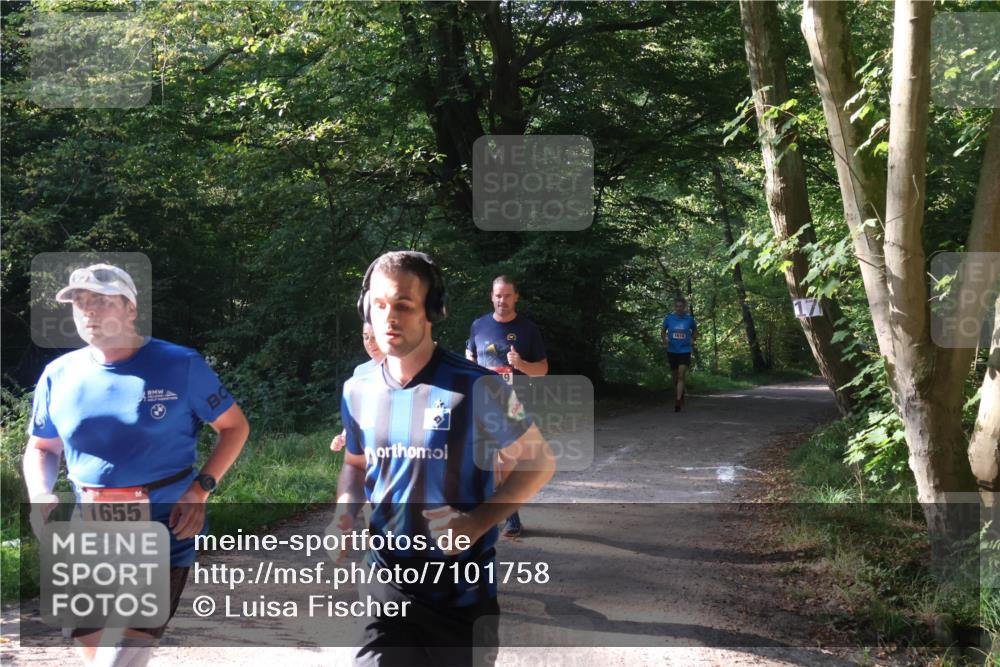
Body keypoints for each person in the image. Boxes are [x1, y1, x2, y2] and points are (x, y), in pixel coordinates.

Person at [334, 251, 555, 667]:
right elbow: (355, 463)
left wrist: (475, 523)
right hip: (385, 583)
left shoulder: (482, 386)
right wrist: (344, 512)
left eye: (403, 305)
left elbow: (539, 462)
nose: (389, 317)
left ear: (432, 310)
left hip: (461, 594)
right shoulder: (357, 388)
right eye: (379, 305)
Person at [23, 263, 250, 667]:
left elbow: (234, 427)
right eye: (79, 302)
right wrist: (40, 493)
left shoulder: (180, 365)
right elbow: (42, 448)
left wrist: (200, 489)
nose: (88, 310)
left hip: (162, 529)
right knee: (91, 644)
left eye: (101, 301)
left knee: (119, 658)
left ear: (131, 309)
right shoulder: (59, 374)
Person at [465, 276, 548, 537]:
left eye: (507, 295)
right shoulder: (478, 326)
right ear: (492, 296)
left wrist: (521, 364)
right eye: (498, 295)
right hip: (483, 401)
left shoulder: (528, 329)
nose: (502, 300)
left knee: (506, 459)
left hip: (514, 403)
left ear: (516, 297)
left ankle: (510, 515)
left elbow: (542, 369)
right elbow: (470, 356)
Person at [330, 322, 385, 453]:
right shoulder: (360, 371)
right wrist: (343, 437)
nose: (370, 342)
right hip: (367, 450)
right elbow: (356, 413)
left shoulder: (403, 370)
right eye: (366, 337)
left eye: (375, 337)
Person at [660, 296, 698, 412]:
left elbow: (695, 331)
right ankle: (680, 394)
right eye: (677, 306)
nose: (679, 308)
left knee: (681, 375)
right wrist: (665, 340)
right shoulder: (669, 318)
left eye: (681, 306)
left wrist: (692, 339)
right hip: (672, 351)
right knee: (675, 377)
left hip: (685, 351)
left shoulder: (689, 319)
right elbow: (663, 331)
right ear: (674, 307)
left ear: (684, 307)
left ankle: (678, 401)